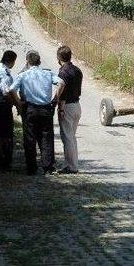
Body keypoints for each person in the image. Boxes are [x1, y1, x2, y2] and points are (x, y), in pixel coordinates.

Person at [8, 50, 65, 175]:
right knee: (46, 138)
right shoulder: (47, 73)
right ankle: (48, 166)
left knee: (30, 138)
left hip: (30, 109)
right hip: (45, 108)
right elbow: (61, 83)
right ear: (39, 61)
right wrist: (55, 98)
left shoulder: (23, 75)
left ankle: (31, 168)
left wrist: (18, 102)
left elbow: (11, 89)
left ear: (28, 61)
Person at [56, 45, 83, 174]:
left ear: (59, 58)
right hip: (77, 105)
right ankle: (73, 163)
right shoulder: (78, 70)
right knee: (72, 136)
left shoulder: (63, 72)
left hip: (67, 106)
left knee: (67, 137)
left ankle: (71, 166)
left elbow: (63, 92)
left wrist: (60, 108)